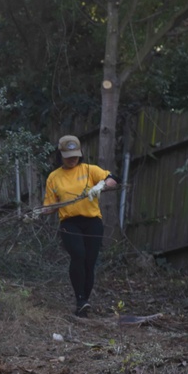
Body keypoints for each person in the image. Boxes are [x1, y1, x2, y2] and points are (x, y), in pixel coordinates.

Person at [42, 134, 118, 317]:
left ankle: (84, 302)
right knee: (78, 254)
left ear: (80, 153)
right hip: (69, 222)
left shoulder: (89, 170)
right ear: (60, 155)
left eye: (75, 155)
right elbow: (50, 206)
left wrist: (101, 186)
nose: (72, 159)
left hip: (92, 222)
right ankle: (80, 298)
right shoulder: (54, 177)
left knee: (89, 262)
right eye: (68, 156)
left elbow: (113, 180)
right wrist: (37, 212)